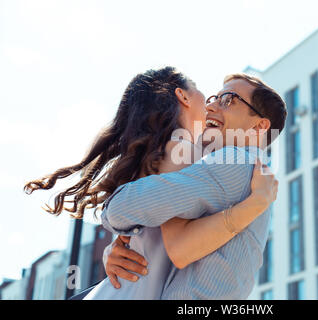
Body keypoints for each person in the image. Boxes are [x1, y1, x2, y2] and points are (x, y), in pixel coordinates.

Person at [24, 67, 286, 299]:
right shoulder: (204, 160)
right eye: (213, 97)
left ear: (259, 126)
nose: (212, 105)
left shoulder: (234, 160)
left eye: (228, 99)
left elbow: (132, 216)